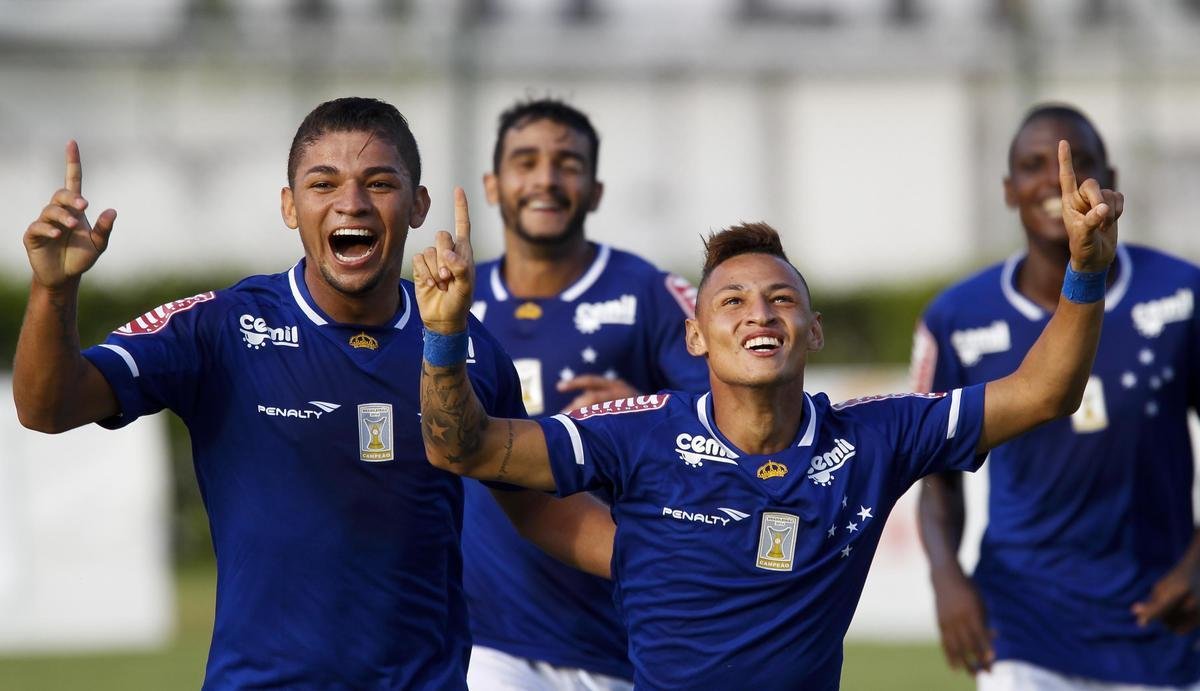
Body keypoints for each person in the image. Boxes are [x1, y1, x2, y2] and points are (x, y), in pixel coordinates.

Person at [410, 138, 1119, 690]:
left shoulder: (874, 437)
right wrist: (443, 335)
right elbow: (464, 448)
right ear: (696, 335)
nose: (759, 314)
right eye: (732, 301)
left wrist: (1085, 269)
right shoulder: (641, 432)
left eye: (781, 299)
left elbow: (1044, 392)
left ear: (813, 329)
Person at [13, 97, 612, 689]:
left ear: (418, 204)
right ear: (290, 206)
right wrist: (53, 290)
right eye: (323, 184)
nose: (350, 203)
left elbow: (534, 504)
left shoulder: (463, 346)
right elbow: (48, 407)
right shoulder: (218, 328)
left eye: (379, 183)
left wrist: (671, 556)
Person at [912, 104, 1200, 689]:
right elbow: (937, 475)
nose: (1056, 180)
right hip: (1024, 624)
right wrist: (947, 579)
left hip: (1163, 621)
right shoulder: (957, 316)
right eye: (1034, 165)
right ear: (1008, 190)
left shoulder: (1181, 293)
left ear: (1109, 177)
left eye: (1078, 162)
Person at [462, 98, 708, 690]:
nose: (546, 178)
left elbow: (737, 423)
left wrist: (644, 415)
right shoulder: (451, 304)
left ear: (595, 190)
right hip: (490, 636)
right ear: (494, 185)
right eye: (526, 162)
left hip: (625, 629)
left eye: (567, 163)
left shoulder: (648, 292)